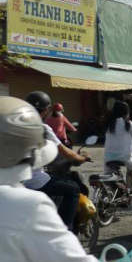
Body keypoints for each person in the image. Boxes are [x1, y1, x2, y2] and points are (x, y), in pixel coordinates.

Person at [0, 96, 132, 262]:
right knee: (77, 188)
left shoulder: (106, 123)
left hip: (109, 158)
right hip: (124, 157)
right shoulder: (29, 207)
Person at [23, 91, 88, 231]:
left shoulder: (16, 125)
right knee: (73, 189)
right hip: (36, 180)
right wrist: (81, 157)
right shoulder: (43, 128)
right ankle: (63, 230)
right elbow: (66, 152)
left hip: (15, 179)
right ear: (46, 109)